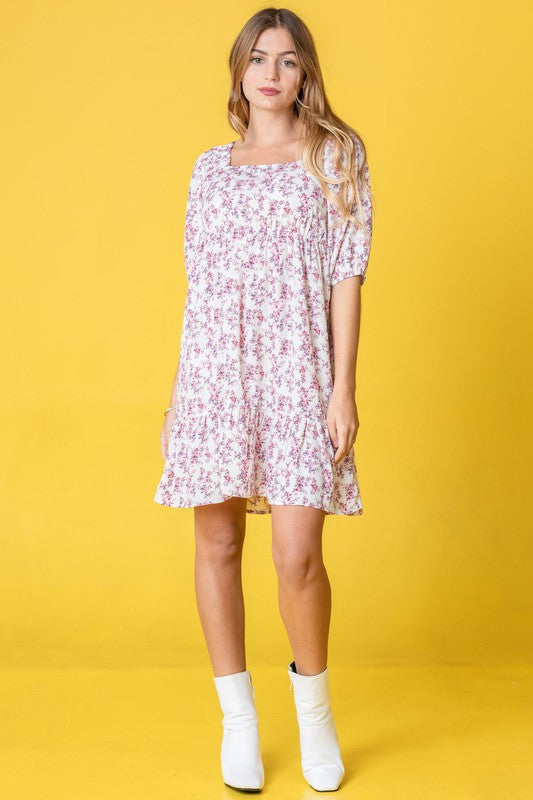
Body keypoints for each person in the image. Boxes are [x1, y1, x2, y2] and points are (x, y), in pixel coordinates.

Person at [153, 7, 373, 793]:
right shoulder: (209, 168)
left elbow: (347, 275)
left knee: (296, 556)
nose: (271, 73)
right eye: (257, 59)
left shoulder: (336, 157)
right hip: (216, 372)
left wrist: (342, 388)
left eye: (286, 60)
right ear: (239, 74)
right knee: (215, 546)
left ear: (305, 73)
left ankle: (314, 715)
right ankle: (238, 723)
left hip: (298, 372)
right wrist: (182, 397)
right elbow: (198, 288)